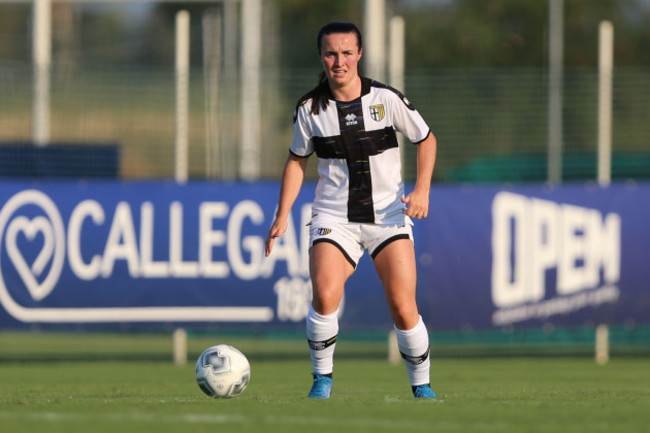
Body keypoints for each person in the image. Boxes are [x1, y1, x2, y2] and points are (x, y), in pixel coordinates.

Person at [265, 21, 437, 399]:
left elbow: (426, 139)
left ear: (359, 54)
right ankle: (322, 381)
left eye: (346, 53)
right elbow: (297, 161)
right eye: (330, 53)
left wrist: (422, 189)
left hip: (388, 215)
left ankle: (421, 386)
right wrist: (282, 215)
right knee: (325, 294)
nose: (338, 61)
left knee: (403, 305)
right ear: (321, 57)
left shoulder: (386, 99)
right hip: (334, 217)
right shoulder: (310, 108)